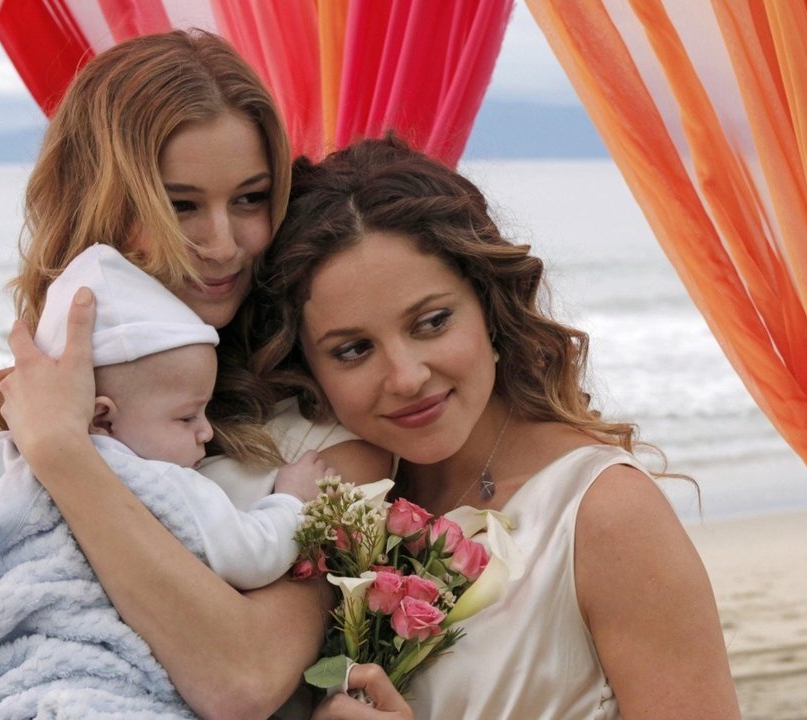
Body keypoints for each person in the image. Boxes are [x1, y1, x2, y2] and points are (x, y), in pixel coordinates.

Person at [0, 30, 390, 720]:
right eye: (180, 205)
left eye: (250, 199)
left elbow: (244, 682)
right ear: (98, 201)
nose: (224, 244)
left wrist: (61, 451)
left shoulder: (321, 443)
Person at [242, 136, 742, 718]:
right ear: (308, 367)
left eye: (432, 322)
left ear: (489, 307)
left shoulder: (605, 515)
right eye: (353, 350)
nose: (406, 377)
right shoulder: (334, 510)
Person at [0, 244, 330, 586]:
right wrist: (292, 501)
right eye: (187, 417)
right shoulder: (163, 484)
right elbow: (251, 555)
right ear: (102, 419)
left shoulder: (1, 457)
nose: (205, 431)